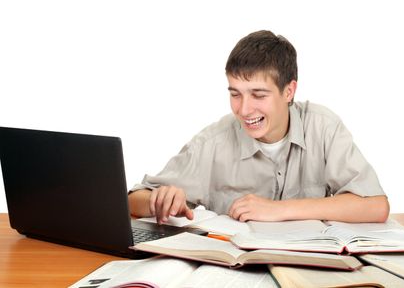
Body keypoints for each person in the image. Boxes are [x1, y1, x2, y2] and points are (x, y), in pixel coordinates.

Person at [128, 30, 389, 224]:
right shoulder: (213, 142)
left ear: (289, 91)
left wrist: (279, 210)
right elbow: (133, 200)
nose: (243, 109)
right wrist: (158, 199)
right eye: (235, 94)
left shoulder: (324, 127)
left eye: (258, 95)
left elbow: (376, 206)